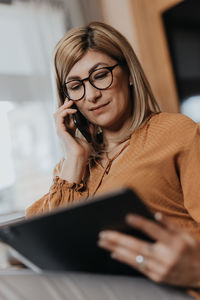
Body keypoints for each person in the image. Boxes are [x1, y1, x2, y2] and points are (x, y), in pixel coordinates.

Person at [26, 22, 200, 299]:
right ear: (67, 99)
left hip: (168, 288)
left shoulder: (176, 132)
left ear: (129, 73)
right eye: (76, 85)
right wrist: (75, 157)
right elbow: (46, 250)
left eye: (100, 75)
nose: (92, 94)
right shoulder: (71, 167)